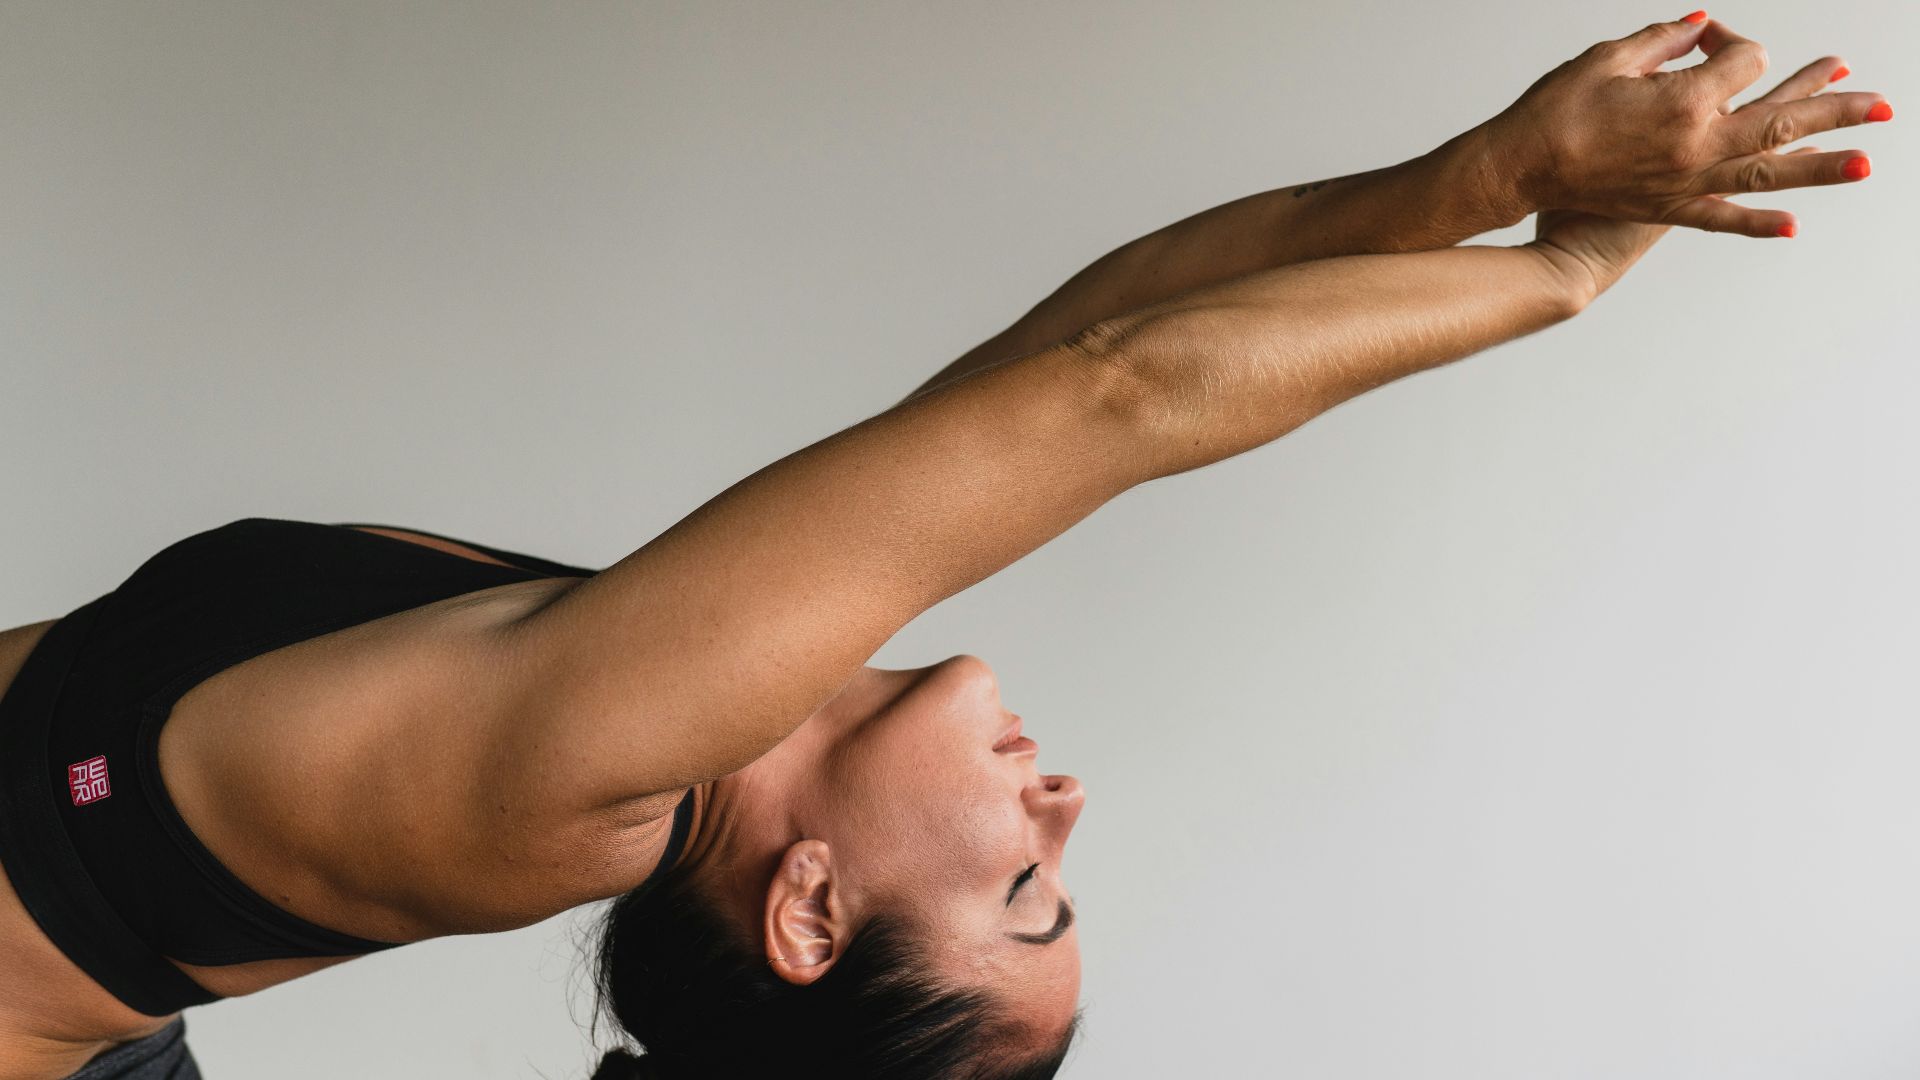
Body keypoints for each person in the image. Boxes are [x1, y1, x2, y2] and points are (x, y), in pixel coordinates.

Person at [0, 14, 1888, 1079]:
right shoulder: (681, 701)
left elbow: (1121, 397)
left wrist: (1557, 281)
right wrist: (1477, 186)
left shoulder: (582, 775)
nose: (1063, 806)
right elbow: (1083, 337)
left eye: (1026, 892)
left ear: (810, 912)